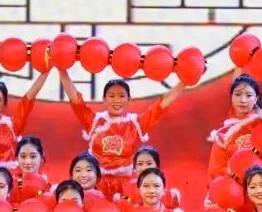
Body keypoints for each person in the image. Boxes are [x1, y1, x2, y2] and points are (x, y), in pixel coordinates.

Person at [59, 71, 187, 198]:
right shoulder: (94, 122)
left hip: (128, 188)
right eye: (111, 96)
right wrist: (61, 70)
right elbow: (75, 99)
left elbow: (163, 104)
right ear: (104, 99)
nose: (116, 100)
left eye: (121, 96)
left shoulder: (137, 124)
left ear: (128, 99)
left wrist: (185, 81)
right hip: (97, 187)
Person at [207, 73, 262, 181]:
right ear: (231, 97)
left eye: (248, 95)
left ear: (256, 98)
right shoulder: (223, 135)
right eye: (238, 94)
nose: (243, 100)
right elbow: (215, 174)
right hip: (233, 189)